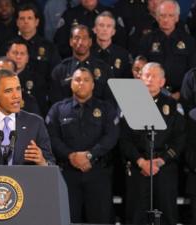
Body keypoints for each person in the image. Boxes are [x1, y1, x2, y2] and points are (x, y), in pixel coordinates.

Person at [46, 67, 119, 224]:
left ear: (93, 85)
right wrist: (70, 155)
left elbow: (111, 137)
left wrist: (90, 155)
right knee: (67, 219)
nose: (82, 83)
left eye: (86, 80)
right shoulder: (58, 109)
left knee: (101, 219)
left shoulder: (106, 108)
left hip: (98, 173)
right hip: (67, 174)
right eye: (77, 79)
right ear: (71, 83)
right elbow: (52, 137)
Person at [120, 62, 185, 225]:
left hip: (164, 168)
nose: (149, 79)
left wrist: (161, 160)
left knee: (167, 216)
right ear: (140, 78)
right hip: (138, 168)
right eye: (146, 75)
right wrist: (141, 161)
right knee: (136, 217)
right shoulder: (130, 103)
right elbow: (123, 139)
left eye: (154, 76)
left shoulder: (172, 105)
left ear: (162, 82)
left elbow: (179, 139)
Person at [138, 0, 196, 100]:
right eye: (162, 15)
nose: (166, 19)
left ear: (177, 17)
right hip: (151, 95)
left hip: (181, 97)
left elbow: (192, 72)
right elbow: (141, 69)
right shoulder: (146, 40)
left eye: (170, 15)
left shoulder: (189, 42)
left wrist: (180, 94)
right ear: (156, 17)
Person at [49, 25, 113, 104]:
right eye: (77, 38)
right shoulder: (60, 70)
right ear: (71, 42)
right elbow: (55, 103)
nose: (80, 42)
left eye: (84, 38)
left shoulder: (104, 69)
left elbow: (110, 103)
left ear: (90, 42)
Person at [91, 11, 131, 78]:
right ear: (94, 29)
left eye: (109, 26)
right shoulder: (87, 52)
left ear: (113, 31)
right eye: (101, 25)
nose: (105, 29)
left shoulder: (123, 54)